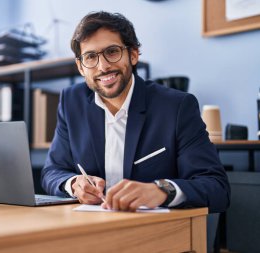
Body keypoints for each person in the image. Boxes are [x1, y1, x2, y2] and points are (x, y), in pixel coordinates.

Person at [41, 11, 230, 213]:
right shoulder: (71, 102)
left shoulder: (176, 106)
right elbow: (52, 172)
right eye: (90, 57)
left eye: (112, 52)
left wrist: (161, 191)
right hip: (89, 226)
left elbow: (216, 187)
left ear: (133, 54)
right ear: (80, 66)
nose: (103, 66)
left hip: (154, 232)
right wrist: (73, 183)